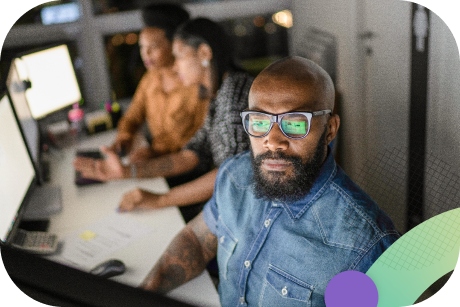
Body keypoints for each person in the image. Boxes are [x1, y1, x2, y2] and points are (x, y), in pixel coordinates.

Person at [139, 56, 400, 306]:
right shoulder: (234, 176)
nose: (272, 140)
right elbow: (197, 240)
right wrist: (144, 293)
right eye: (259, 121)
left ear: (329, 129)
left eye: (296, 124)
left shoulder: (364, 244)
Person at [74, 18, 253, 220]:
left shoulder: (234, 94)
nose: (175, 68)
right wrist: (127, 171)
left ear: (204, 53)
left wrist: (160, 199)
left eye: (179, 57)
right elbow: (192, 155)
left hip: (242, 213)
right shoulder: (217, 93)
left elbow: (231, 176)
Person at [76, 3, 208, 164]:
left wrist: (154, 152)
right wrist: (125, 136)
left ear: (175, 45)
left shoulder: (196, 84)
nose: (145, 54)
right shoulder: (151, 77)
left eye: (153, 47)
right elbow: (132, 116)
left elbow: (199, 142)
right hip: (153, 159)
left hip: (183, 166)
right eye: (142, 47)